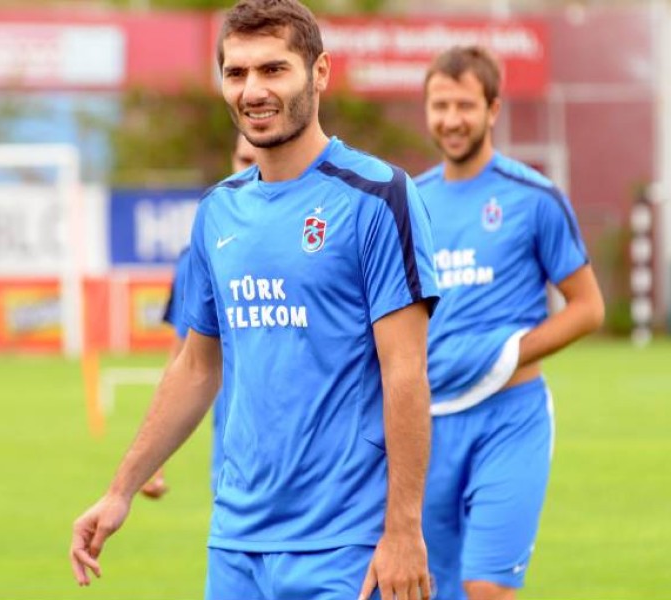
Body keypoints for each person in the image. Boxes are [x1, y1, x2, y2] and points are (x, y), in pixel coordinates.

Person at [69, 1, 440, 598]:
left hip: (343, 542)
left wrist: (402, 530)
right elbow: (196, 366)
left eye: (273, 70)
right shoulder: (218, 210)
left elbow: (406, 372)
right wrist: (120, 490)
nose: (252, 90)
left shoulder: (379, 197)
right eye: (236, 73)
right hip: (237, 542)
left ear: (319, 73)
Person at [414, 45, 605, 600]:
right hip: (426, 425)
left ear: (493, 109)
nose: (452, 120)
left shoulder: (534, 197)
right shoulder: (411, 203)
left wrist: (504, 354)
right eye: (440, 105)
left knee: (486, 589)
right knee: (426, 586)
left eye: (465, 106)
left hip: (510, 420)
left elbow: (588, 307)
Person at [147, 132, 258, 497]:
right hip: (233, 460)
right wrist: (154, 459)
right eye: (243, 160)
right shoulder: (200, 253)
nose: (250, 170)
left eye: (258, 161)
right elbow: (183, 359)